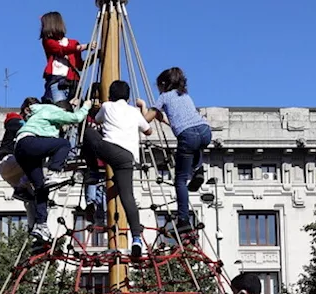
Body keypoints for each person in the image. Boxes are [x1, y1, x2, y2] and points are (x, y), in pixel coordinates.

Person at [82, 80, 153, 258]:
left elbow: (95, 122)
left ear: (110, 95)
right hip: (128, 158)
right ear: (127, 96)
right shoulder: (134, 112)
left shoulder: (106, 106)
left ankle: (92, 171)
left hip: (111, 150)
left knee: (88, 133)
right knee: (127, 196)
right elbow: (149, 131)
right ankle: (136, 238)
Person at [142, 67, 212, 238]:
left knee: (180, 180)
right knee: (196, 144)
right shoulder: (185, 96)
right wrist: (161, 117)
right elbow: (175, 120)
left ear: (163, 84)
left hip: (188, 136)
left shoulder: (164, 97)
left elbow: (146, 119)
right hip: (205, 131)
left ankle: (183, 221)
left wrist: (143, 106)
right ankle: (198, 169)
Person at [14, 96, 92, 246]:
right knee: (64, 144)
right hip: (30, 141)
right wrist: (86, 106)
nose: (65, 127)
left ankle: (41, 225)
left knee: (41, 188)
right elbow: (76, 118)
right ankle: (54, 172)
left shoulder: (40, 113)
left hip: (21, 149)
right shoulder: (54, 110)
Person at [39, 11, 90, 104]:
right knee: (61, 109)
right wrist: (83, 47)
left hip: (73, 83)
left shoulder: (73, 43)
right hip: (57, 81)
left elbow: (79, 65)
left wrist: (93, 57)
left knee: (73, 111)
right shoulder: (48, 41)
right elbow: (61, 49)